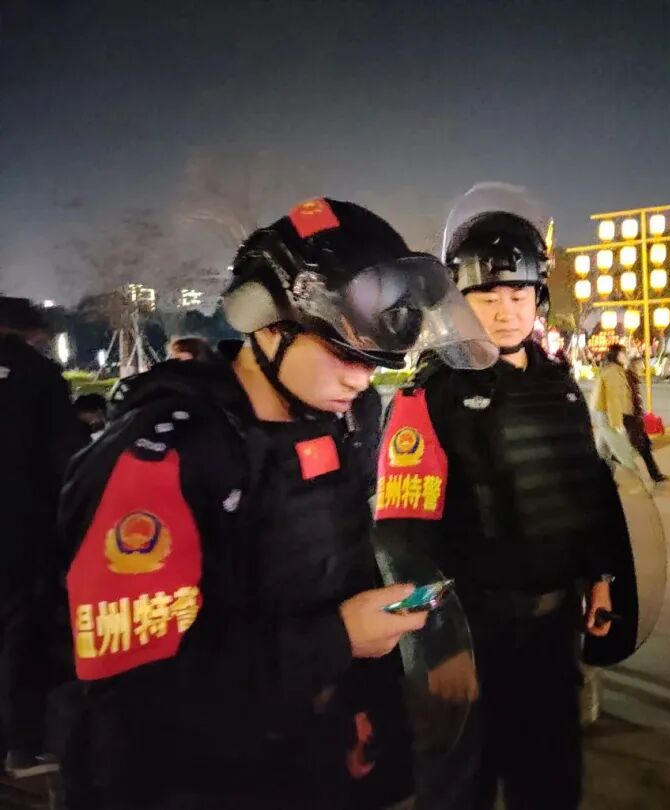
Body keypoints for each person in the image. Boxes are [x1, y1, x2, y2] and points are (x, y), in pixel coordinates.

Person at [57, 198, 494, 809]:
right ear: (267, 326)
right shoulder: (164, 457)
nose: (361, 379)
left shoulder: (344, 425)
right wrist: (338, 638)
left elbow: (342, 572)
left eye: (375, 362)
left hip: (312, 760)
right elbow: (134, 698)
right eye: (344, 354)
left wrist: (365, 704)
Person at [374, 183, 621, 810]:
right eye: (487, 296)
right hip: (474, 639)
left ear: (538, 299)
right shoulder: (429, 397)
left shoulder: (561, 387)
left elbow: (587, 489)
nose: (505, 311)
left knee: (552, 784)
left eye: (518, 294)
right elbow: (402, 537)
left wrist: (599, 576)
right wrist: (438, 646)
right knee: (462, 791)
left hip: (552, 635)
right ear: (459, 301)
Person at [0, 298, 85, 778]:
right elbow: (66, 456)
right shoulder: (37, 374)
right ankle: (21, 745)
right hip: (22, 525)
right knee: (21, 632)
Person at [627, 354, 668, 482]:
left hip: (635, 420)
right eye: (641, 365)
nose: (643, 367)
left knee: (644, 447)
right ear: (634, 366)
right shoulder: (629, 380)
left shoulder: (632, 379)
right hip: (632, 420)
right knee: (639, 448)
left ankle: (655, 474)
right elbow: (630, 401)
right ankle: (655, 474)